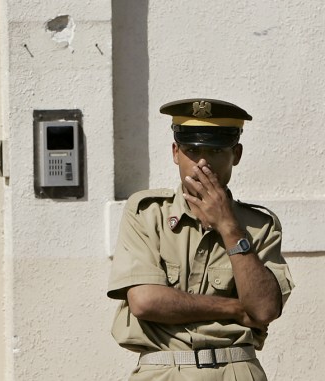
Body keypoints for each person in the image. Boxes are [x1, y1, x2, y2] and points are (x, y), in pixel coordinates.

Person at [107, 98, 295, 381]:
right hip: (163, 370)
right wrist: (234, 307)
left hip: (236, 368)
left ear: (237, 154)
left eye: (217, 150)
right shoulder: (148, 213)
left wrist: (230, 228)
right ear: (175, 152)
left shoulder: (259, 225)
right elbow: (145, 301)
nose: (203, 163)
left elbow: (264, 308)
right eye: (192, 150)